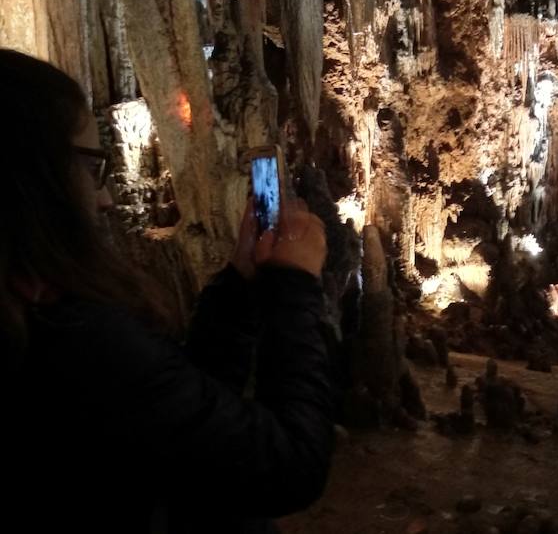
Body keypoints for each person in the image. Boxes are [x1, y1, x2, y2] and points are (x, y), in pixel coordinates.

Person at [0, 50, 335, 532]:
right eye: (91, 167)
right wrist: (296, 290)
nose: (105, 197)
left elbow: (181, 413)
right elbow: (289, 468)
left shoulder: (31, 316)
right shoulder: (72, 337)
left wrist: (241, 283)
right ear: (34, 179)